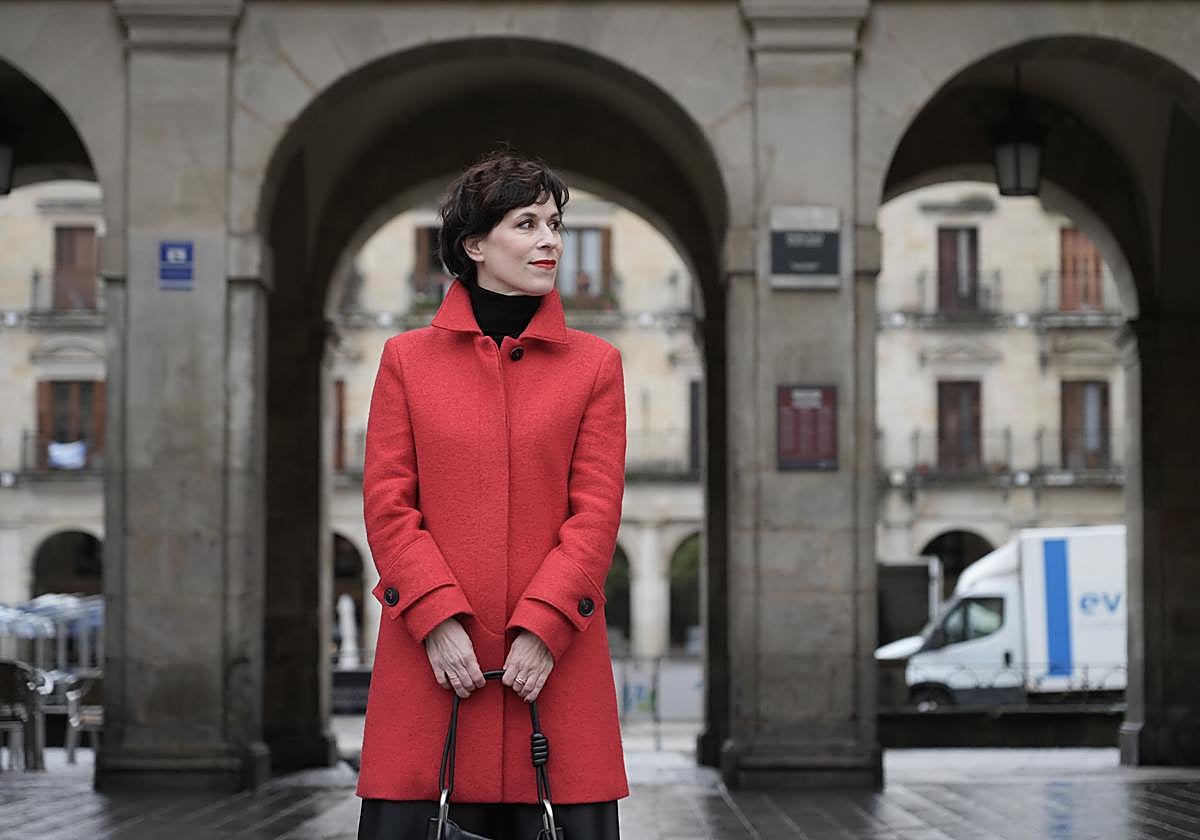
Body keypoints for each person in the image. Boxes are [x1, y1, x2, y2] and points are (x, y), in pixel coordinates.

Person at [356, 150, 627, 840]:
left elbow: (594, 515)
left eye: (555, 224)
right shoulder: (406, 362)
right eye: (527, 223)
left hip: (555, 677)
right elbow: (389, 506)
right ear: (474, 244)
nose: (551, 241)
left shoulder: (597, 366)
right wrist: (436, 619)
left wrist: (544, 628)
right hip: (431, 673)